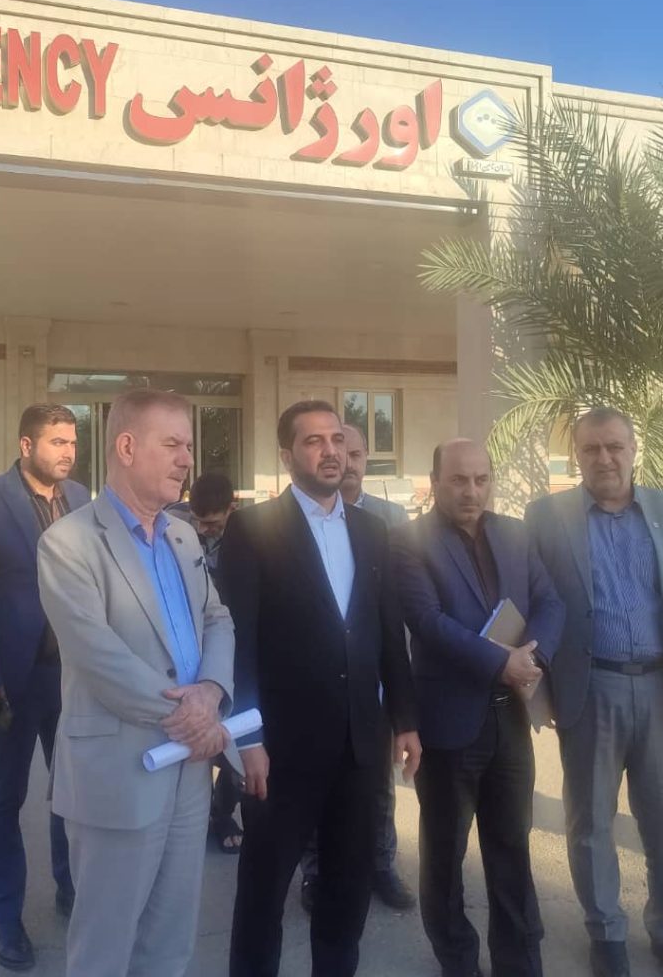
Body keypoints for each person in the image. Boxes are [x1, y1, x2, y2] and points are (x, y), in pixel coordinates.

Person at [37, 388, 236, 977]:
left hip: (188, 774)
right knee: (104, 948)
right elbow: (99, 656)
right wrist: (194, 719)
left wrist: (213, 692)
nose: (187, 460)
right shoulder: (68, 543)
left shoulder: (182, 535)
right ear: (126, 447)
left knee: (169, 944)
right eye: (172, 444)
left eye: (188, 446)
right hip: (118, 775)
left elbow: (217, 619)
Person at [221, 400, 421, 977]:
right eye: (313, 441)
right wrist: (246, 738)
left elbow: (387, 631)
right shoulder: (253, 528)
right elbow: (238, 641)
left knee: (346, 890)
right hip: (279, 754)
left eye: (336, 439)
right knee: (263, 892)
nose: (330, 451)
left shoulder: (372, 530)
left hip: (359, 747)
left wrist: (405, 720)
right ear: (287, 456)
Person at [525, 408, 663, 977]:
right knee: (590, 821)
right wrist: (539, 690)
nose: (604, 458)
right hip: (590, 690)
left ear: (634, 450)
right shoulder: (546, 517)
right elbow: (534, 601)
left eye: (615, 446)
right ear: (577, 455)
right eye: (591, 449)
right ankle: (606, 932)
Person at [392, 439, 564, 977]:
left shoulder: (515, 534)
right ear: (435, 482)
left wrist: (533, 659)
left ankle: (519, 962)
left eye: (481, 479)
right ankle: (458, 961)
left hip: (510, 719)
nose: (472, 491)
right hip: (448, 724)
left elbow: (550, 601)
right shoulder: (409, 541)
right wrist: (500, 662)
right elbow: (427, 621)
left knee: (511, 847)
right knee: (445, 856)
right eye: (459, 480)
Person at [0, 403, 89, 971]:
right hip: (7, 677)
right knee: (3, 797)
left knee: (73, 790)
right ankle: (4, 913)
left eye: (72, 442)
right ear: (26, 445)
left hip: (71, 674)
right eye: (57, 442)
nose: (68, 452)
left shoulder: (80, 498)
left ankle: (71, 888)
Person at [300, 424, 415, 913]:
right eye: (338, 451)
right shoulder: (300, 520)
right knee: (317, 781)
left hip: (374, 679)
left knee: (378, 783)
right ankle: (315, 871)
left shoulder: (390, 519)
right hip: (319, 683)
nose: (346, 461)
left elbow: (396, 606)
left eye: (356, 453)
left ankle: (381, 864)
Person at [168, 472, 245, 853]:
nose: (203, 529)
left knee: (236, 737)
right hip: (186, 649)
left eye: (212, 523)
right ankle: (188, 811)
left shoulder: (250, 534)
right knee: (190, 734)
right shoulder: (172, 528)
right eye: (197, 520)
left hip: (235, 644)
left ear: (232, 507)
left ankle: (222, 810)